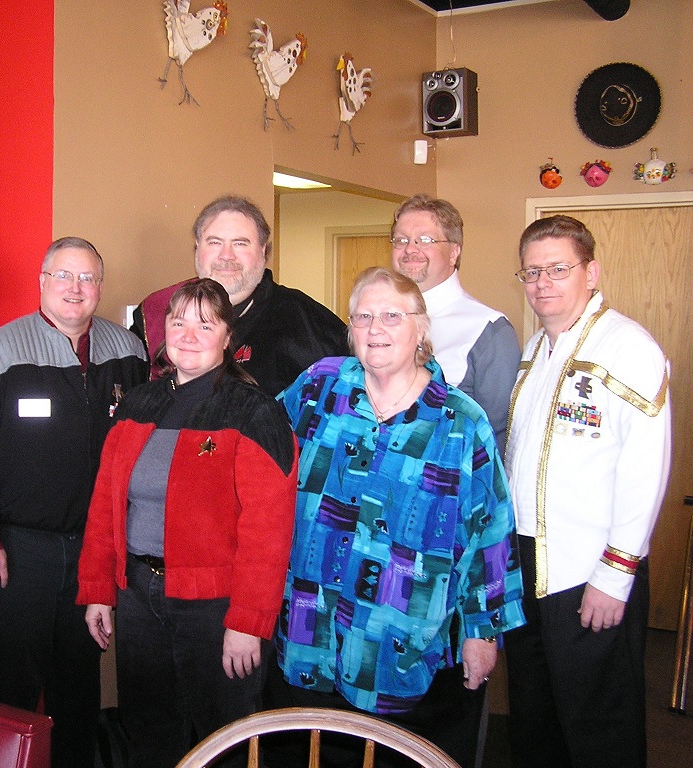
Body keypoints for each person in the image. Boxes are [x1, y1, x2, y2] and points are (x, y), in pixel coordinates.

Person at [269, 267, 525, 768]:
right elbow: (258, 449)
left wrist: (482, 632)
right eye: (362, 317)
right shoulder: (321, 388)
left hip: (401, 641)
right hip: (310, 627)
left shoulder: (459, 421)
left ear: (421, 329)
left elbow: (490, 531)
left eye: (391, 316)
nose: (375, 329)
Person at [0, 237, 148, 768]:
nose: (75, 288)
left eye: (87, 278)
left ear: (100, 286)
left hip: (91, 550)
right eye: (63, 276)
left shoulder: (129, 352)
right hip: (16, 552)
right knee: (8, 689)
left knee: (77, 689)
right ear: (41, 282)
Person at [78, 278, 297, 768]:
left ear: (228, 337)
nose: (189, 335)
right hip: (139, 599)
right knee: (150, 734)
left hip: (216, 609)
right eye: (179, 323)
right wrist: (97, 588)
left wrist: (248, 623)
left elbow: (269, 531)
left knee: (226, 742)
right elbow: (106, 506)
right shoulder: (138, 404)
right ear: (163, 333)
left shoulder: (254, 412)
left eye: (205, 324)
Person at [504, 215, 671, 768]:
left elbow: (644, 470)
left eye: (558, 269)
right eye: (531, 272)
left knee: (598, 722)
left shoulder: (627, 348)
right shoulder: (537, 349)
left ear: (591, 273)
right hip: (530, 561)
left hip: (589, 569)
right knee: (536, 714)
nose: (542, 283)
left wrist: (616, 573)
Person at [131, 195, 348, 396]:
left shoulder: (308, 322)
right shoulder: (157, 313)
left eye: (240, 243)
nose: (226, 256)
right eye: (215, 242)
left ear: (263, 250)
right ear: (197, 247)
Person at [390, 194, 520, 454]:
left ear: (454, 252)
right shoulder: (377, 324)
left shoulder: (489, 331)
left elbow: (499, 438)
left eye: (425, 240)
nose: (410, 250)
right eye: (401, 240)